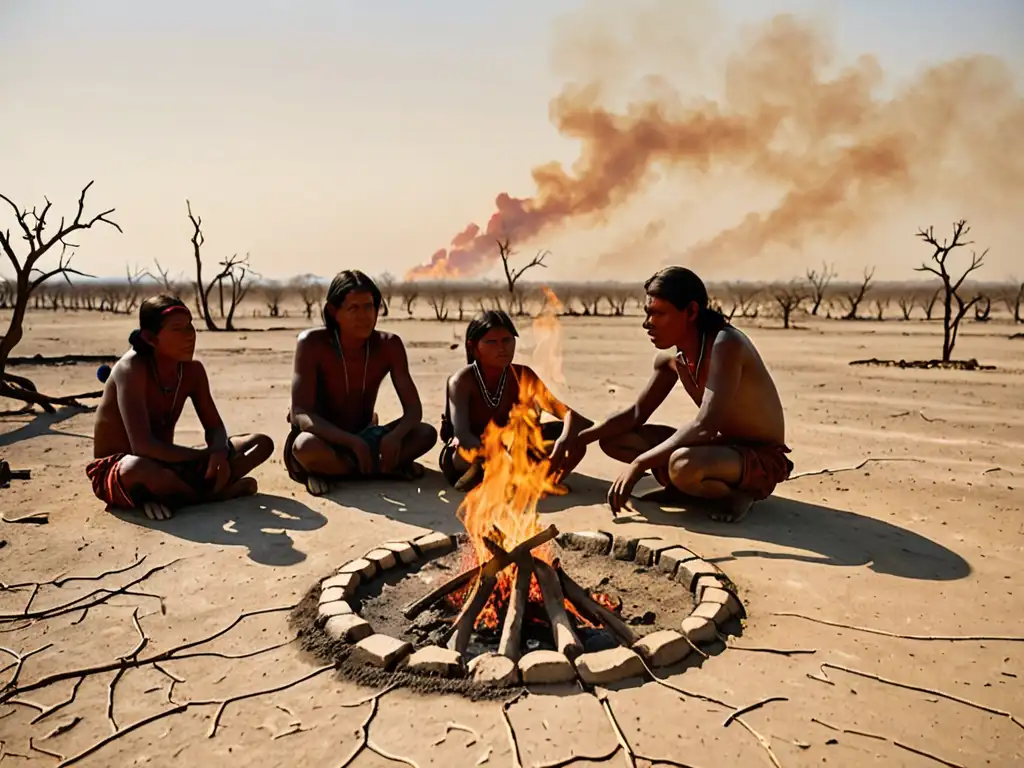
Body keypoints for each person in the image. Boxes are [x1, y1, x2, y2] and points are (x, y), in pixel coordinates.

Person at [578, 267, 793, 523]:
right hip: (716, 448)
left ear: (690, 311)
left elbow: (705, 425)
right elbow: (637, 413)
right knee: (614, 439)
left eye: (658, 313)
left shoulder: (726, 344)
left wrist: (639, 465)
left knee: (683, 466)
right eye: (647, 313)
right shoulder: (671, 358)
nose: (647, 323)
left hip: (759, 458)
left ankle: (737, 494)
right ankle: (688, 489)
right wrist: (579, 439)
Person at [87, 295, 274, 521]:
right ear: (150, 338)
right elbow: (142, 447)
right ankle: (210, 495)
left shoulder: (192, 371)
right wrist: (202, 457)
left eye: (190, 326)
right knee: (136, 468)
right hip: (121, 470)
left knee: (260, 444)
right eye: (178, 329)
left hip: (172, 464)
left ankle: (177, 493)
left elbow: (214, 425)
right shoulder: (131, 369)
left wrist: (217, 451)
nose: (189, 336)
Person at [284, 270, 437, 495]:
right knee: (305, 447)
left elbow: (413, 410)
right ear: (333, 312)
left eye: (369, 307)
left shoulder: (389, 345)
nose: (364, 316)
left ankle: (341, 471)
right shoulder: (312, 344)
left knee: (425, 434)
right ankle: (382, 470)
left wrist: (394, 437)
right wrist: (351, 443)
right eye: (353, 308)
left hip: (368, 436)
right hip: (325, 438)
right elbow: (300, 413)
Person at [438, 309, 590, 491]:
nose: (502, 348)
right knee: (466, 454)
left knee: (574, 438)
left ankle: (533, 480)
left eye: (507, 340)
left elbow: (566, 413)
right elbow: (463, 436)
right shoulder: (461, 381)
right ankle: (497, 476)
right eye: (491, 342)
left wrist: (565, 439)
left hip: (514, 450)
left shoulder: (523, 375)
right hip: (471, 457)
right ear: (473, 348)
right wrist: (500, 456)